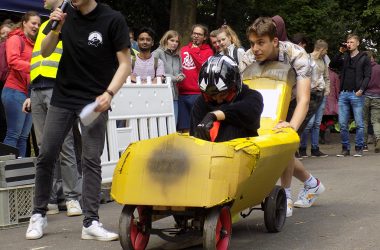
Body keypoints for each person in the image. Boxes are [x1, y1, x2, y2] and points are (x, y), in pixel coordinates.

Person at [25, 0, 131, 241]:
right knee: (47, 154)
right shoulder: (63, 13)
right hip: (63, 96)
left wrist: (109, 93)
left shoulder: (112, 19)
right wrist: (56, 27)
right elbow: (45, 51)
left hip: (94, 99)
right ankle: (38, 215)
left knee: (91, 158)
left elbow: (125, 64)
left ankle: (91, 221)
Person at [244, 17, 325, 217]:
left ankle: (285, 194)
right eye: (252, 43)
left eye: (261, 43)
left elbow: (303, 99)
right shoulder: (248, 57)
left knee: (284, 141)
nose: (255, 48)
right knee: (270, 141)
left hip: (306, 95)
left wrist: (291, 127)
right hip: (274, 94)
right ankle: (312, 184)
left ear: (275, 42)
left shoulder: (296, 54)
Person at [22, 0, 82, 217]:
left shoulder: (68, 20)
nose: (43, 0)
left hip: (57, 89)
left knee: (65, 146)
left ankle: (72, 197)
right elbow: (37, 59)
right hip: (38, 89)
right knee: (45, 149)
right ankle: (52, 199)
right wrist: (30, 92)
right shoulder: (48, 23)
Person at [190, 55, 263, 141]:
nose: (218, 100)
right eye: (212, 96)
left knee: (233, 125)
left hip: (243, 150)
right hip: (209, 151)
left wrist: (214, 115)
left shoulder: (252, 96)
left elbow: (249, 111)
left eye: (223, 94)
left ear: (235, 87)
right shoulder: (201, 102)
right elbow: (195, 133)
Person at [1, 11, 40, 157]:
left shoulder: (33, 43)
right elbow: (13, 61)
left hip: (28, 94)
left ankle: (19, 175)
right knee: (13, 134)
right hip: (14, 90)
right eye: (33, 23)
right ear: (24, 22)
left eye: (38, 24)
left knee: (24, 137)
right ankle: (7, 174)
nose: (36, 26)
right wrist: (35, 67)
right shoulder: (15, 38)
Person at [329, 34, 371, 157]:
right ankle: (345, 148)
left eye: (352, 42)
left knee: (359, 124)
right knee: (342, 124)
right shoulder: (345, 57)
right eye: (348, 42)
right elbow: (332, 65)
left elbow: (368, 76)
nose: (349, 44)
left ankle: (358, 148)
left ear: (358, 43)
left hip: (357, 94)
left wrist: (362, 89)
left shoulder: (364, 58)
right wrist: (340, 52)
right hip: (344, 94)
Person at [177, 24, 213, 132]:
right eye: (194, 33)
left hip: (197, 94)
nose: (196, 36)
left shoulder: (208, 51)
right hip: (182, 94)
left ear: (205, 37)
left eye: (199, 34)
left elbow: (203, 67)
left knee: (197, 126)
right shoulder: (183, 49)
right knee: (184, 128)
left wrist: (194, 51)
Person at [299, 40, 330, 158]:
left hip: (321, 93)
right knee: (308, 123)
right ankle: (302, 148)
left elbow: (327, 77)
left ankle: (315, 149)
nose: (326, 52)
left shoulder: (323, 61)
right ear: (321, 49)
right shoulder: (306, 58)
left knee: (317, 123)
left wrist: (327, 90)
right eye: (326, 50)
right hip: (309, 93)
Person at [153, 30, 185, 123]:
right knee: (160, 125)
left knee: (173, 124)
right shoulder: (157, 53)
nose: (174, 43)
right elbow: (153, 74)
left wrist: (181, 76)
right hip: (160, 95)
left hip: (174, 94)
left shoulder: (178, 56)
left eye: (177, 41)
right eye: (172, 40)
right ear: (165, 40)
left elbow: (180, 71)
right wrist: (174, 78)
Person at [363, 51, 380, 153]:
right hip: (378, 97)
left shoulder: (363, 68)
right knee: (376, 121)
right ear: (373, 58)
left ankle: (363, 144)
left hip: (365, 95)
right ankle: (378, 139)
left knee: (363, 120)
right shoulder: (379, 68)